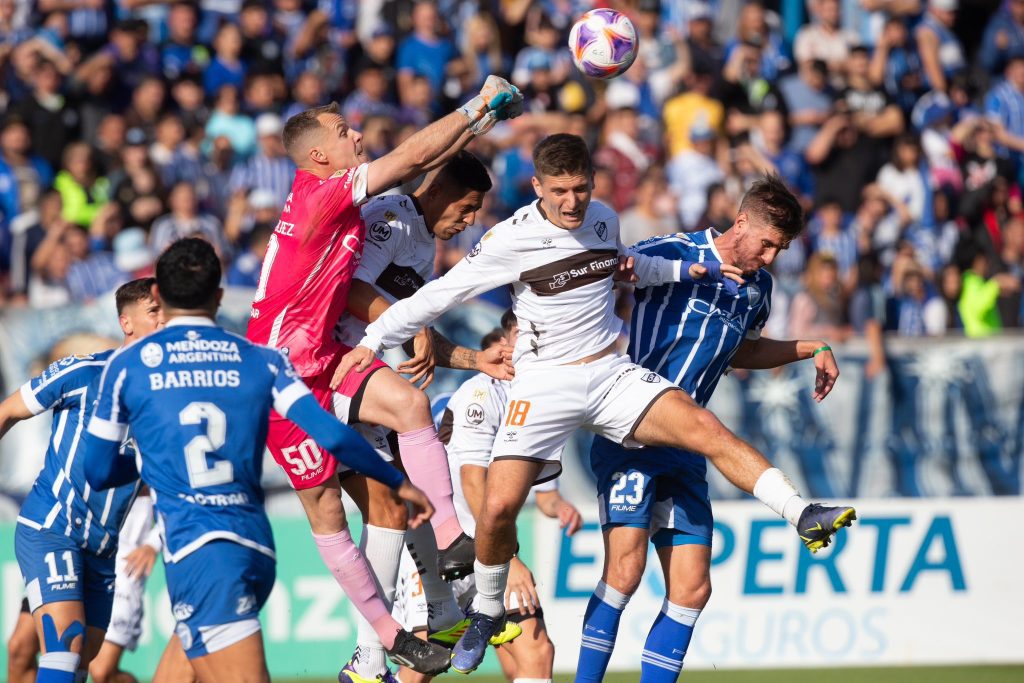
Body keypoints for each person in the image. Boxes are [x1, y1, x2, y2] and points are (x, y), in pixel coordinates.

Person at [336, 134, 857, 674]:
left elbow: (628, 266)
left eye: (581, 189)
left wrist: (689, 272)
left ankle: (801, 512)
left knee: (707, 429)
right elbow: (434, 298)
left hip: (608, 375)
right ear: (537, 187)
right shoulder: (508, 240)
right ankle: (488, 608)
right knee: (496, 509)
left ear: (592, 184)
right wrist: (372, 344)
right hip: (544, 385)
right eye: (559, 191)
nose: (571, 202)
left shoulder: (604, 219)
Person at [244, 76, 521, 677]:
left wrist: (482, 125)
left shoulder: (346, 204)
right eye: (345, 132)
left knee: (398, 485)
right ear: (321, 154)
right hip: (282, 379)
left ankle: (439, 570)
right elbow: (416, 162)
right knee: (331, 514)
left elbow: (426, 166)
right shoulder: (330, 196)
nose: (358, 134)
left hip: (320, 364)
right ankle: (384, 640)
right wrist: (478, 103)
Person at [80, 238, 443, 682]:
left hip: (202, 547)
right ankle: (387, 635)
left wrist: (148, 466)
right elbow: (328, 432)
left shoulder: (128, 365)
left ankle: (384, 639)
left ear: (157, 296)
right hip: (252, 541)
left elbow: (97, 471)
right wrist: (396, 480)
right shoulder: (259, 359)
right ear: (218, 295)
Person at [576, 175, 845, 683]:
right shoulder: (674, 249)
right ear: (740, 221)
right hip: (632, 429)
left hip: (687, 444)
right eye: (766, 243)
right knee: (625, 571)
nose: (770, 258)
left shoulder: (759, 288)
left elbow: (741, 350)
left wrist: (809, 346)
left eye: (780, 250)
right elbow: (607, 272)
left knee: (692, 587)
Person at [335, 150, 511, 682]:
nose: (470, 220)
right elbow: (350, 291)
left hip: (368, 385)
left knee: (398, 504)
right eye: (468, 206)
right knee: (394, 503)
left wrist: (473, 358)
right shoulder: (390, 219)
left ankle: (435, 614)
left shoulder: (424, 243)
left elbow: (417, 338)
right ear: (440, 192)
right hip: (335, 372)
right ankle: (378, 652)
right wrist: (408, 324)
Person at [396, 311, 582, 683]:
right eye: (525, 335)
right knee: (423, 665)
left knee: (536, 650)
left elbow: (541, 491)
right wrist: (507, 559)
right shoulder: (481, 393)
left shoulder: (544, 403)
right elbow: (473, 483)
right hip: (444, 547)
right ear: (507, 341)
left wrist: (558, 505)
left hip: (488, 546)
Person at [0, 278, 163, 683]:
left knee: (82, 666)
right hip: (53, 528)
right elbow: (6, 412)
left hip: (104, 548)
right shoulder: (84, 371)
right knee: (64, 645)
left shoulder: (168, 397)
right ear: (126, 323)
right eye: (155, 311)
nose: (166, 319)